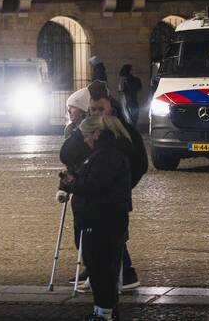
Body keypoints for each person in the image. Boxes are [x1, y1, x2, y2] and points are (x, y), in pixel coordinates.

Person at [61, 81, 146, 290]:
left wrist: (124, 185)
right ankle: (97, 273)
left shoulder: (119, 135)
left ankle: (119, 276)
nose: (97, 113)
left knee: (110, 240)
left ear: (111, 108)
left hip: (106, 198)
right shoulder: (87, 129)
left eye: (101, 109)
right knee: (89, 238)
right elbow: (67, 155)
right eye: (93, 110)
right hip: (88, 197)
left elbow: (139, 163)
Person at [61, 115, 132, 321]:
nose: (84, 140)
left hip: (102, 220)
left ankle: (104, 313)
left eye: (85, 135)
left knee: (101, 270)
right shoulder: (103, 153)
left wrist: (72, 183)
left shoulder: (107, 155)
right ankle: (104, 310)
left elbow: (93, 185)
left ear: (96, 133)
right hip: (101, 219)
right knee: (99, 269)